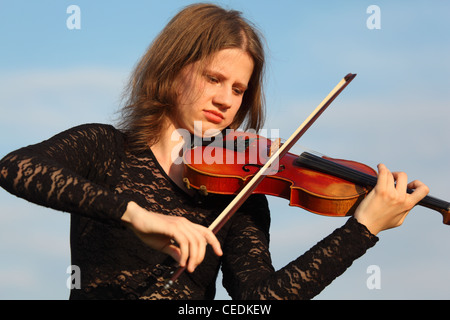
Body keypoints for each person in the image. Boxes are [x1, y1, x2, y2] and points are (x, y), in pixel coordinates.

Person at [0, 3, 429, 300]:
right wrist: (137, 216)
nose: (226, 99)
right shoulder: (106, 147)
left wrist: (361, 230)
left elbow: (260, 299)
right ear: (172, 68)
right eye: (213, 78)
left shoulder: (240, 191)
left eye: (239, 89)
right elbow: (16, 167)